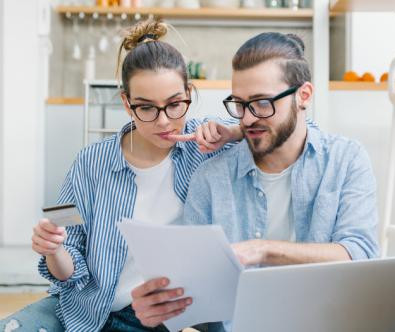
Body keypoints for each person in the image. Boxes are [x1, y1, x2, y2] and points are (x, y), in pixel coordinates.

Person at [131, 32, 395, 332]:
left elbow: (360, 252)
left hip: (339, 319)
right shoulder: (212, 177)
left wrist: (262, 250)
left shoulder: (345, 159)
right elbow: (196, 288)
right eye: (239, 104)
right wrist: (162, 306)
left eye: (261, 103)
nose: (247, 118)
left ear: (304, 95)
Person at [0, 19, 241, 332]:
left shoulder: (207, 143)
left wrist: (234, 132)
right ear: (127, 104)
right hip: (90, 309)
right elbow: (65, 268)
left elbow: (293, 134)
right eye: (147, 108)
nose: (164, 121)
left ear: (189, 94)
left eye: (175, 105)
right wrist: (53, 249)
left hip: (170, 317)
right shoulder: (87, 162)